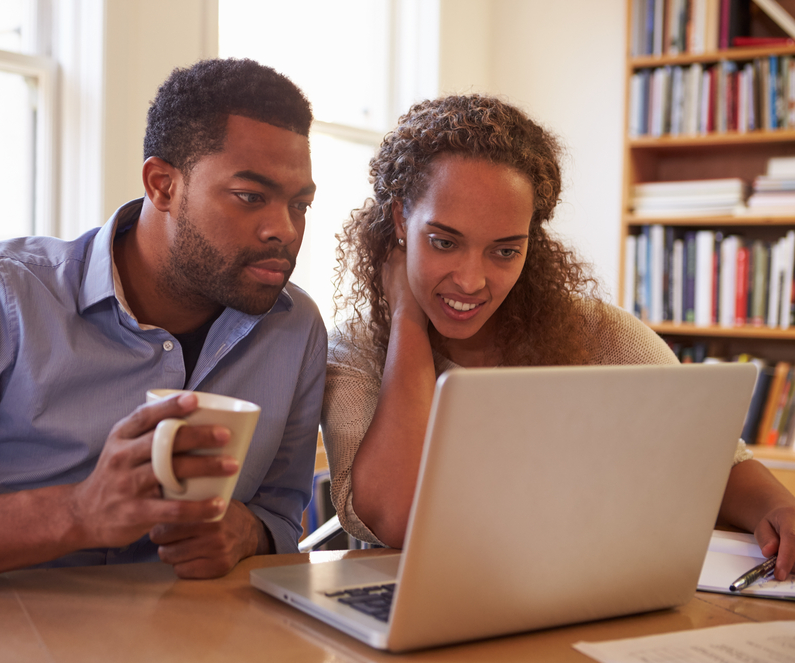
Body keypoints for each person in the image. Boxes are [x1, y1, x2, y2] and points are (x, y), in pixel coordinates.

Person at [0, 58, 326, 587]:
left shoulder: (294, 328)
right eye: (250, 197)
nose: (284, 229)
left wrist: (246, 532)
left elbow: (278, 516)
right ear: (162, 185)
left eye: (300, 205)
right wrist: (76, 512)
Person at [321, 94, 795, 579]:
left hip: (573, 592)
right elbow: (398, 516)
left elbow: (710, 455)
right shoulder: (354, 352)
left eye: (504, 251)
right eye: (444, 242)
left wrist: (777, 507)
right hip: (415, 610)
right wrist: (406, 321)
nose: (470, 280)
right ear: (401, 218)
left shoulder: (596, 333)